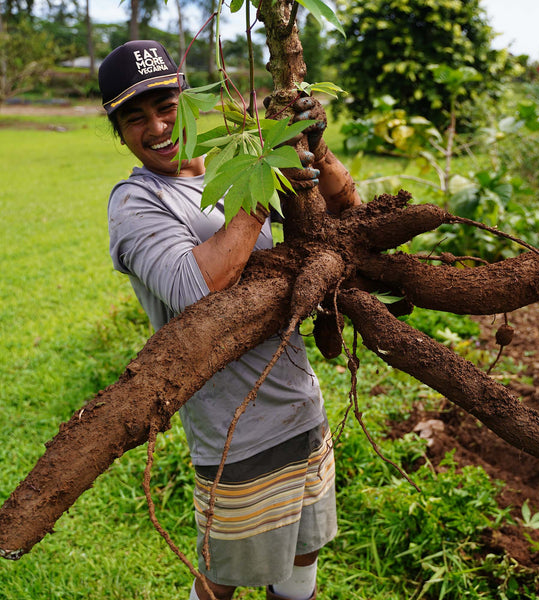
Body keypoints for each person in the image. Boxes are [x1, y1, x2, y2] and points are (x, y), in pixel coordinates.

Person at [98, 40, 361, 600]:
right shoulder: (137, 203)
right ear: (119, 132)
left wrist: (316, 149)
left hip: (300, 404)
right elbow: (196, 286)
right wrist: (264, 176)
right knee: (226, 576)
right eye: (134, 118)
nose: (158, 126)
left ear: (191, 100)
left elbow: (347, 222)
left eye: (167, 105)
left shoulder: (237, 159)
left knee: (304, 548)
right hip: (234, 432)